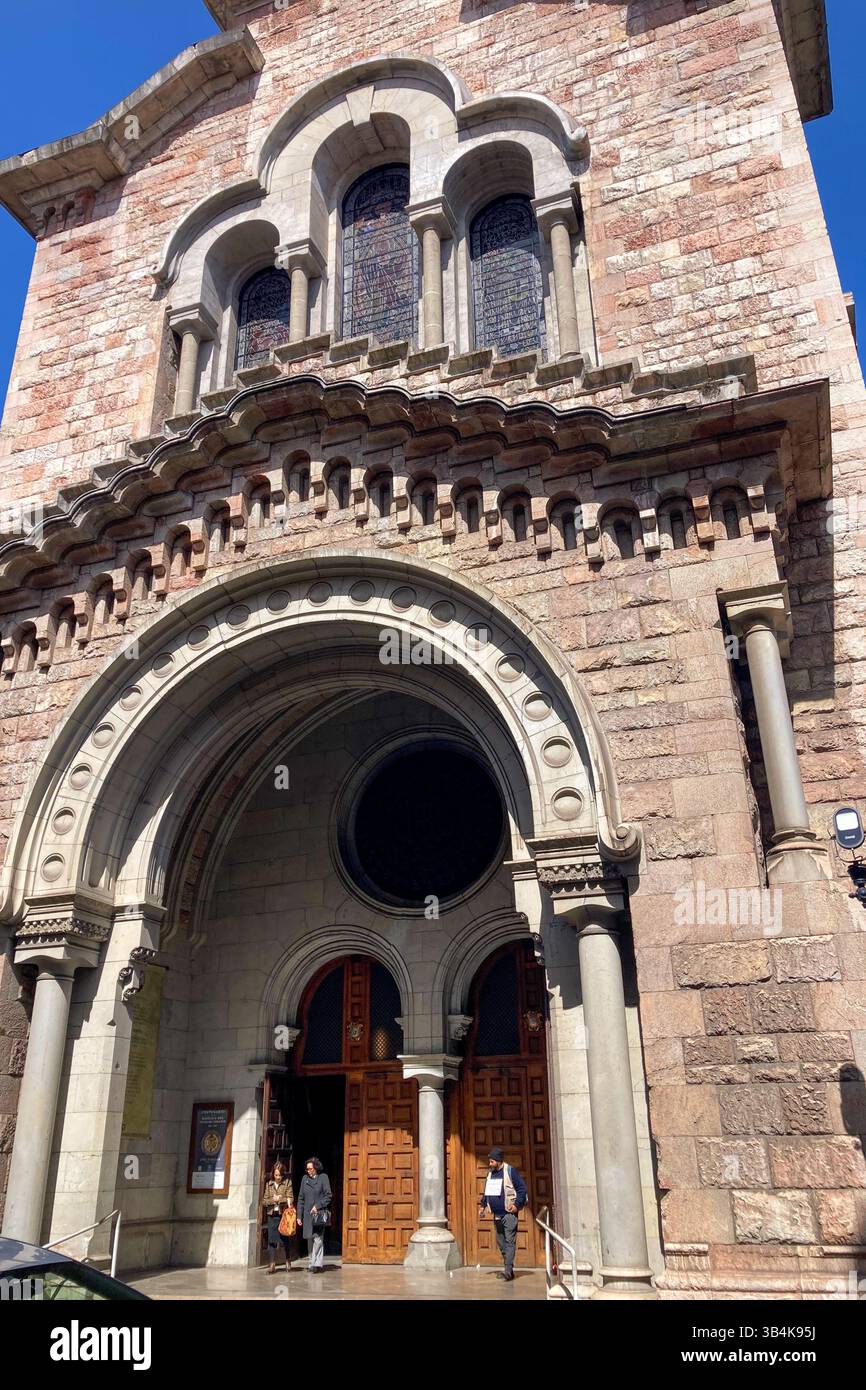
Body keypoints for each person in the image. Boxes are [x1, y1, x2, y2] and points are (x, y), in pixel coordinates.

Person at [478, 1146, 528, 1281]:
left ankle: (507, 1270)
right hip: (497, 1215)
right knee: (501, 1242)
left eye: (492, 1161)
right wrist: (482, 1206)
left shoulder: (510, 1171)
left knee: (509, 1242)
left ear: (499, 1161)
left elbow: (522, 1189)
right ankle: (509, 1269)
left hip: (509, 1214)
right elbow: (487, 1192)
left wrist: (517, 1205)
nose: (490, 1164)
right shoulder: (491, 1173)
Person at [296, 1156, 332, 1274]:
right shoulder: (304, 1179)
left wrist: (318, 1205)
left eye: (310, 1169)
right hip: (307, 1214)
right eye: (307, 1169)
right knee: (310, 1239)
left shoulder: (323, 1178)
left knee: (318, 1239)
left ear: (316, 1168)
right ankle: (312, 1262)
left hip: (318, 1214)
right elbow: (301, 1198)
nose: (309, 1171)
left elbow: (328, 1196)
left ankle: (315, 1263)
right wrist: (299, 1216)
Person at [262, 1159, 294, 1274]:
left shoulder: (287, 1183)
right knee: (271, 1239)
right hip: (272, 1214)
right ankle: (272, 1264)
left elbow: (290, 1197)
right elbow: (264, 1201)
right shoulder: (269, 1184)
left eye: (280, 1175)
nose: (278, 1177)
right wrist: (272, 1200)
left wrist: (280, 1199)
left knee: (285, 1239)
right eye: (276, 1175)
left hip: (283, 1214)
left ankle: (287, 1261)